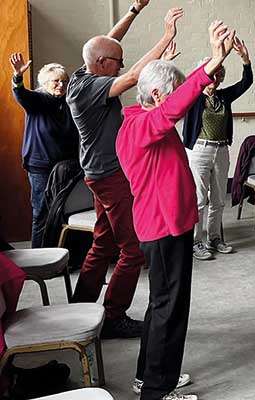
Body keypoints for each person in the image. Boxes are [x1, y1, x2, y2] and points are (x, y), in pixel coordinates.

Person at [116, 20, 237, 400]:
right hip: (163, 228)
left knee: (160, 305)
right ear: (154, 95)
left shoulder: (145, 120)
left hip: (170, 225)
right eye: (165, 96)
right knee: (170, 309)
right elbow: (170, 110)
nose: (176, 108)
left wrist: (206, 68)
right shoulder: (140, 126)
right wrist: (209, 64)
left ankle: (147, 375)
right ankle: (157, 390)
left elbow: (172, 105)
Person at [66, 0, 182, 339]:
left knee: (103, 243)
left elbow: (106, 42)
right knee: (132, 249)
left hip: (98, 174)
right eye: (116, 62)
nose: (122, 65)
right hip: (109, 176)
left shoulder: (83, 73)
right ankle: (113, 316)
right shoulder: (91, 87)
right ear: (102, 64)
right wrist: (165, 38)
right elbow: (133, 77)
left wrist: (134, 10)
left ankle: (78, 308)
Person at [182, 37, 252, 260]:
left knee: (219, 198)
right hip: (199, 150)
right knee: (199, 198)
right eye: (213, 73)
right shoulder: (193, 97)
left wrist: (245, 59)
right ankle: (196, 242)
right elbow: (189, 82)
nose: (217, 78)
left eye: (220, 74)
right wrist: (215, 57)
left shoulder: (223, 96)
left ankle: (214, 238)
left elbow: (246, 82)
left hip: (221, 150)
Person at [9, 54, 79, 248]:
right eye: (56, 81)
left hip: (65, 166)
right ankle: (38, 255)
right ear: (45, 83)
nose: (61, 85)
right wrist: (17, 76)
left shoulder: (68, 102)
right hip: (40, 166)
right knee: (41, 210)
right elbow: (21, 94)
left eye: (64, 81)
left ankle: (62, 254)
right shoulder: (38, 99)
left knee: (63, 209)